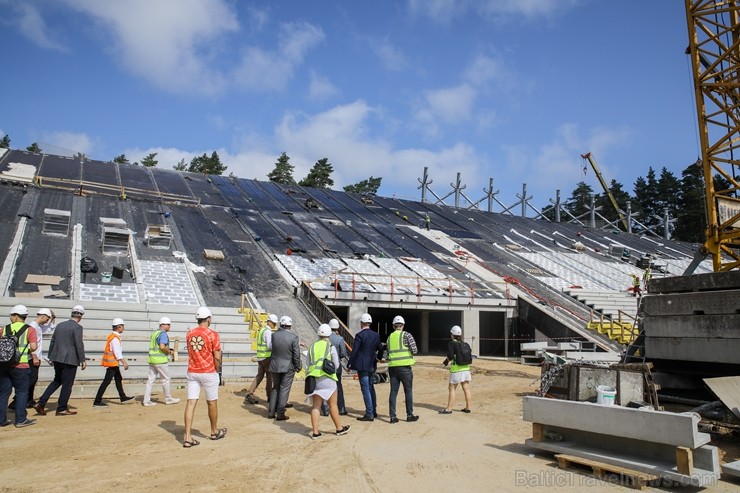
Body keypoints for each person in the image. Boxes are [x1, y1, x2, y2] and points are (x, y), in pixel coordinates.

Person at [183, 307, 227, 448]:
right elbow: (217, 356)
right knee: (211, 402)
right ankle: (214, 431)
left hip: (193, 370)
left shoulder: (190, 333)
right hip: (208, 371)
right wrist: (217, 368)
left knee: (191, 402)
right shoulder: (212, 334)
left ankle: (188, 436)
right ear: (208, 319)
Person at [35, 305, 87, 417]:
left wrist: (51, 356)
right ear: (81, 316)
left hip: (57, 358)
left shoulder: (60, 325)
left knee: (57, 381)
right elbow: (79, 344)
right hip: (70, 359)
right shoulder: (78, 327)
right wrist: (82, 359)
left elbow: (53, 341)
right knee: (67, 384)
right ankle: (62, 408)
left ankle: (41, 402)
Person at [305, 324, 350, 439]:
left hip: (315, 379)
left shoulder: (312, 347)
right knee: (332, 405)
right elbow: (336, 364)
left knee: (316, 406)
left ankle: (315, 432)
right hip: (328, 379)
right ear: (329, 335)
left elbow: (307, 363)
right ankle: (339, 428)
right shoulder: (330, 347)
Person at [0, 305, 39, 427]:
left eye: (11, 315)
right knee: (22, 392)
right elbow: (33, 347)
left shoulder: (4, 329)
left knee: (3, 393)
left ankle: (1, 419)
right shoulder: (30, 329)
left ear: (16, 316)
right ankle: (20, 419)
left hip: (4, 365)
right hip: (21, 365)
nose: (11, 317)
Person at [9, 307, 53, 410]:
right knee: (31, 379)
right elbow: (30, 344)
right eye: (46, 319)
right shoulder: (33, 327)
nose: (46, 322)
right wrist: (34, 357)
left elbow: (50, 328)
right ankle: (16, 401)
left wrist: (52, 318)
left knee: (33, 378)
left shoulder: (36, 326)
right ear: (42, 316)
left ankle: (29, 400)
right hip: (32, 357)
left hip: (34, 356)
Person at [347, 313, 382, 422]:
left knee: (365, 388)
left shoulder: (359, 335)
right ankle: (373, 410)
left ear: (362, 323)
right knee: (371, 387)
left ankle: (369, 413)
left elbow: (355, 351)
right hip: (372, 364)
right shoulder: (376, 335)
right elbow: (381, 348)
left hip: (362, 366)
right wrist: (378, 358)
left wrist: (349, 364)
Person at [93, 318, 134, 407]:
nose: (123, 328)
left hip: (113, 364)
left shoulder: (113, 336)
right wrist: (124, 362)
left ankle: (122, 397)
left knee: (118, 379)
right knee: (106, 382)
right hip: (112, 364)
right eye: (122, 326)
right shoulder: (115, 338)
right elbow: (117, 352)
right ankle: (97, 401)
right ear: (118, 327)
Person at [267, 316, 301, 421]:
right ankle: (280, 413)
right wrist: (298, 366)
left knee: (275, 387)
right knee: (284, 389)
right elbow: (296, 355)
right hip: (288, 366)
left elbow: (272, 348)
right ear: (290, 326)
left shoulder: (274, 335)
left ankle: (271, 412)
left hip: (274, 365)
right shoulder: (294, 337)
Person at [386, 315, 419, 423]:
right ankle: (409, 415)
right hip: (405, 368)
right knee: (408, 391)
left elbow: (387, 354)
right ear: (403, 325)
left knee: (393, 392)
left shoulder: (389, 337)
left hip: (393, 368)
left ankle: (393, 417)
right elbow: (415, 350)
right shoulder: (407, 335)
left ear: (393, 326)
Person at [142, 317, 180, 406]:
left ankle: (146, 400)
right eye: (168, 324)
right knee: (165, 379)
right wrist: (169, 351)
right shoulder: (163, 334)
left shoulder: (155, 333)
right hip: (160, 361)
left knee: (150, 380)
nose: (169, 326)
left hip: (152, 360)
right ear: (163, 325)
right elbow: (162, 347)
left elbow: (157, 346)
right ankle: (168, 398)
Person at [244, 313, 278, 405]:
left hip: (260, 357)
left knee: (260, 375)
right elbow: (269, 346)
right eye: (273, 323)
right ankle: (270, 396)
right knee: (269, 377)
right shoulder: (268, 332)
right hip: (267, 357)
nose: (274, 325)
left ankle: (250, 392)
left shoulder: (262, 330)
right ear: (269, 322)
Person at [439, 326, 472, 414]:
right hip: (466, 368)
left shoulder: (452, 344)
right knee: (466, 388)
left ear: (452, 335)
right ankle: (468, 407)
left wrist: (446, 361)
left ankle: (449, 409)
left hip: (456, 369)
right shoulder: (465, 344)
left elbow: (450, 356)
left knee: (452, 388)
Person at [320, 318, 348, 416]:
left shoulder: (323, 338)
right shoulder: (340, 339)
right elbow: (343, 353)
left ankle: (325, 410)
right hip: (336, 366)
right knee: (338, 387)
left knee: (324, 387)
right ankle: (342, 408)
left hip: (325, 366)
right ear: (337, 328)